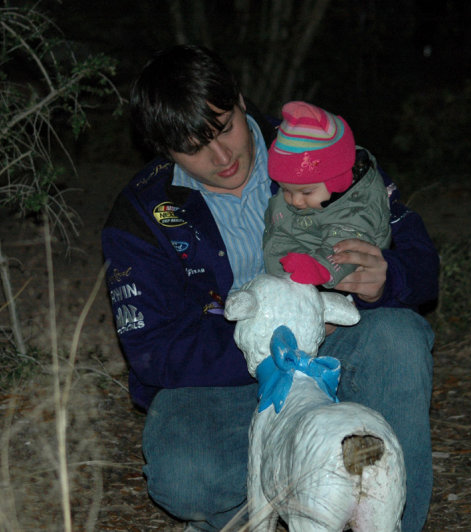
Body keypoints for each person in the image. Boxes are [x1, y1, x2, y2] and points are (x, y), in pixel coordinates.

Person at [102, 44, 439, 532]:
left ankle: (386, 517)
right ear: (164, 148)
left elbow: (422, 259)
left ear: (241, 100)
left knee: (399, 338)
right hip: (227, 383)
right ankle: (292, 492)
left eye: (224, 128)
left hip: (336, 350)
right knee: (184, 478)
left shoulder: (313, 147)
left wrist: (389, 276)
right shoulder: (141, 214)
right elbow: (155, 351)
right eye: (194, 148)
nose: (221, 157)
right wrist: (274, 341)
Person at [263, 100, 392, 288]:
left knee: (345, 245)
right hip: (297, 282)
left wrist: (319, 269)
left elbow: (345, 249)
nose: (296, 200)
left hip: (341, 283)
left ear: (337, 181)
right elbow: (281, 234)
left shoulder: (357, 207)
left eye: (306, 192)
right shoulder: (306, 199)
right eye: (286, 190)